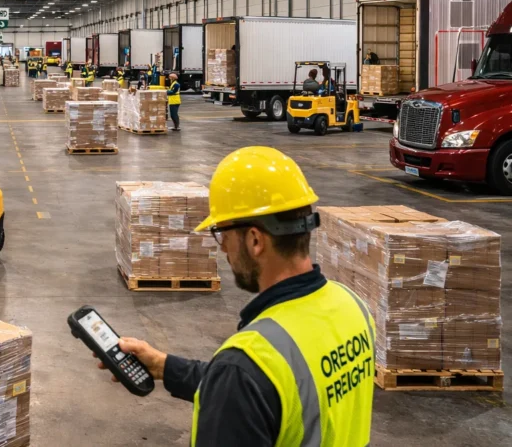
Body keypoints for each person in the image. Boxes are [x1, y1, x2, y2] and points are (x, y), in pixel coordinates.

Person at [94, 147, 374, 447]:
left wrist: (224, 379)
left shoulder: (250, 360)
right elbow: (274, 394)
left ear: (255, 240)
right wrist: (165, 366)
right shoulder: (353, 307)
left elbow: (246, 386)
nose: (223, 248)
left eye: (222, 233)